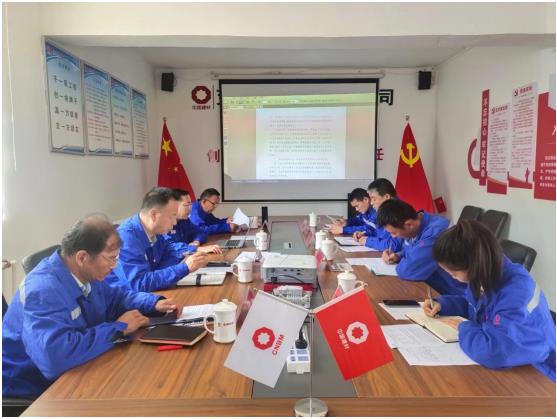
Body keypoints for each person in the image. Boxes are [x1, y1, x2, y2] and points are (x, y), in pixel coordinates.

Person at [2, 214, 183, 398]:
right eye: (111, 258)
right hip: (31, 389)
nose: (114, 266)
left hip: (76, 369)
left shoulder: (85, 273)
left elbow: (115, 299)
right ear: (82, 257)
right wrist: (119, 328)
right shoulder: (42, 291)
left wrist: (153, 303)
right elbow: (54, 359)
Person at [423, 220, 555, 382]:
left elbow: (493, 352)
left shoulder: (516, 292)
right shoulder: (486, 273)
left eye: (453, 274)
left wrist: (463, 327)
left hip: (538, 374)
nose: (452, 277)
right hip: (511, 362)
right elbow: (473, 306)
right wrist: (443, 304)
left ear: (474, 265)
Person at [105, 187, 208, 292]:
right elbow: (139, 283)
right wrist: (184, 268)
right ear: (153, 215)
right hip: (127, 298)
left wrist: (192, 253)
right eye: (171, 216)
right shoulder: (126, 238)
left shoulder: (155, 231)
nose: (174, 222)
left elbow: (169, 251)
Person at [376, 199, 466, 295]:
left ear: (409, 224)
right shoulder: (417, 224)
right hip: (430, 284)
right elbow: (410, 250)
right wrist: (398, 256)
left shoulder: (436, 232)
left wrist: (407, 260)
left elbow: (407, 270)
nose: (393, 237)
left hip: (453, 293)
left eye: (394, 233)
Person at [164, 189, 222, 255]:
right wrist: (197, 249)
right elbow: (170, 246)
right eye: (186, 205)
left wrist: (197, 241)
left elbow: (201, 232)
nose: (190, 209)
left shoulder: (185, 220)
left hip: (187, 257)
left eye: (190, 204)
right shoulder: (163, 223)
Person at [351, 178, 403, 251]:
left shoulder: (400, 212)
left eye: (374, 199)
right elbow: (381, 234)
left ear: (387, 197)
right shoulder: (385, 211)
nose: (371, 203)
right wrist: (366, 234)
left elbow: (394, 245)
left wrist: (368, 241)